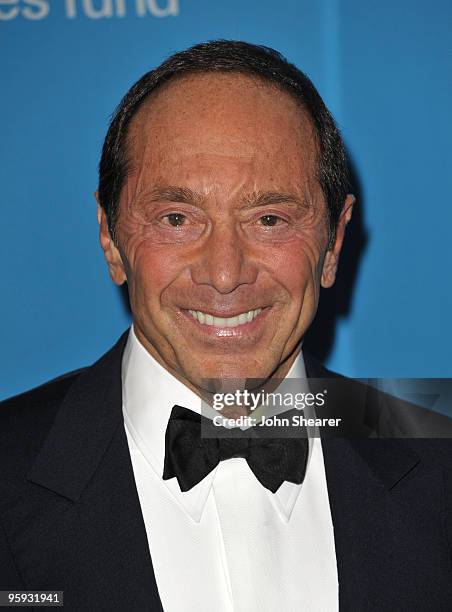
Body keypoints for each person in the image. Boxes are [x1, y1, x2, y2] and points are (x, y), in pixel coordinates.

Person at [1, 40, 451, 611]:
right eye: (176, 218)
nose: (224, 274)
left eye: (269, 219)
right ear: (111, 239)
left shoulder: (437, 455)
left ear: (333, 243)